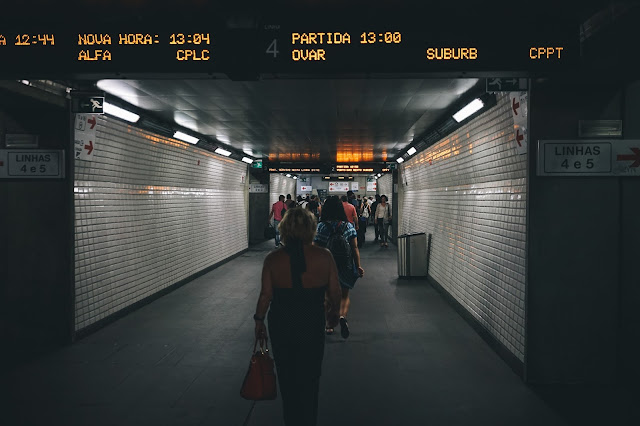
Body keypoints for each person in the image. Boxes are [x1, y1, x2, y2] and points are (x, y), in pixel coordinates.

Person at [253, 208, 341, 426]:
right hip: (311, 321)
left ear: (284, 229)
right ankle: (308, 419)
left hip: (281, 323)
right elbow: (335, 291)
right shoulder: (324, 256)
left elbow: (266, 295)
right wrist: (333, 315)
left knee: (287, 376)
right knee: (310, 377)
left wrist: (258, 320)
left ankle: (290, 419)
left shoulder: (273, 260)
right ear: (311, 229)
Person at [313, 196, 364, 339]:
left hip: (326, 266)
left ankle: (328, 324)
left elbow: (316, 248)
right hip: (345, 265)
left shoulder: (321, 227)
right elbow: (354, 248)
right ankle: (342, 316)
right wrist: (358, 266)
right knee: (344, 295)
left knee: (327, 296)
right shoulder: (348, 226)